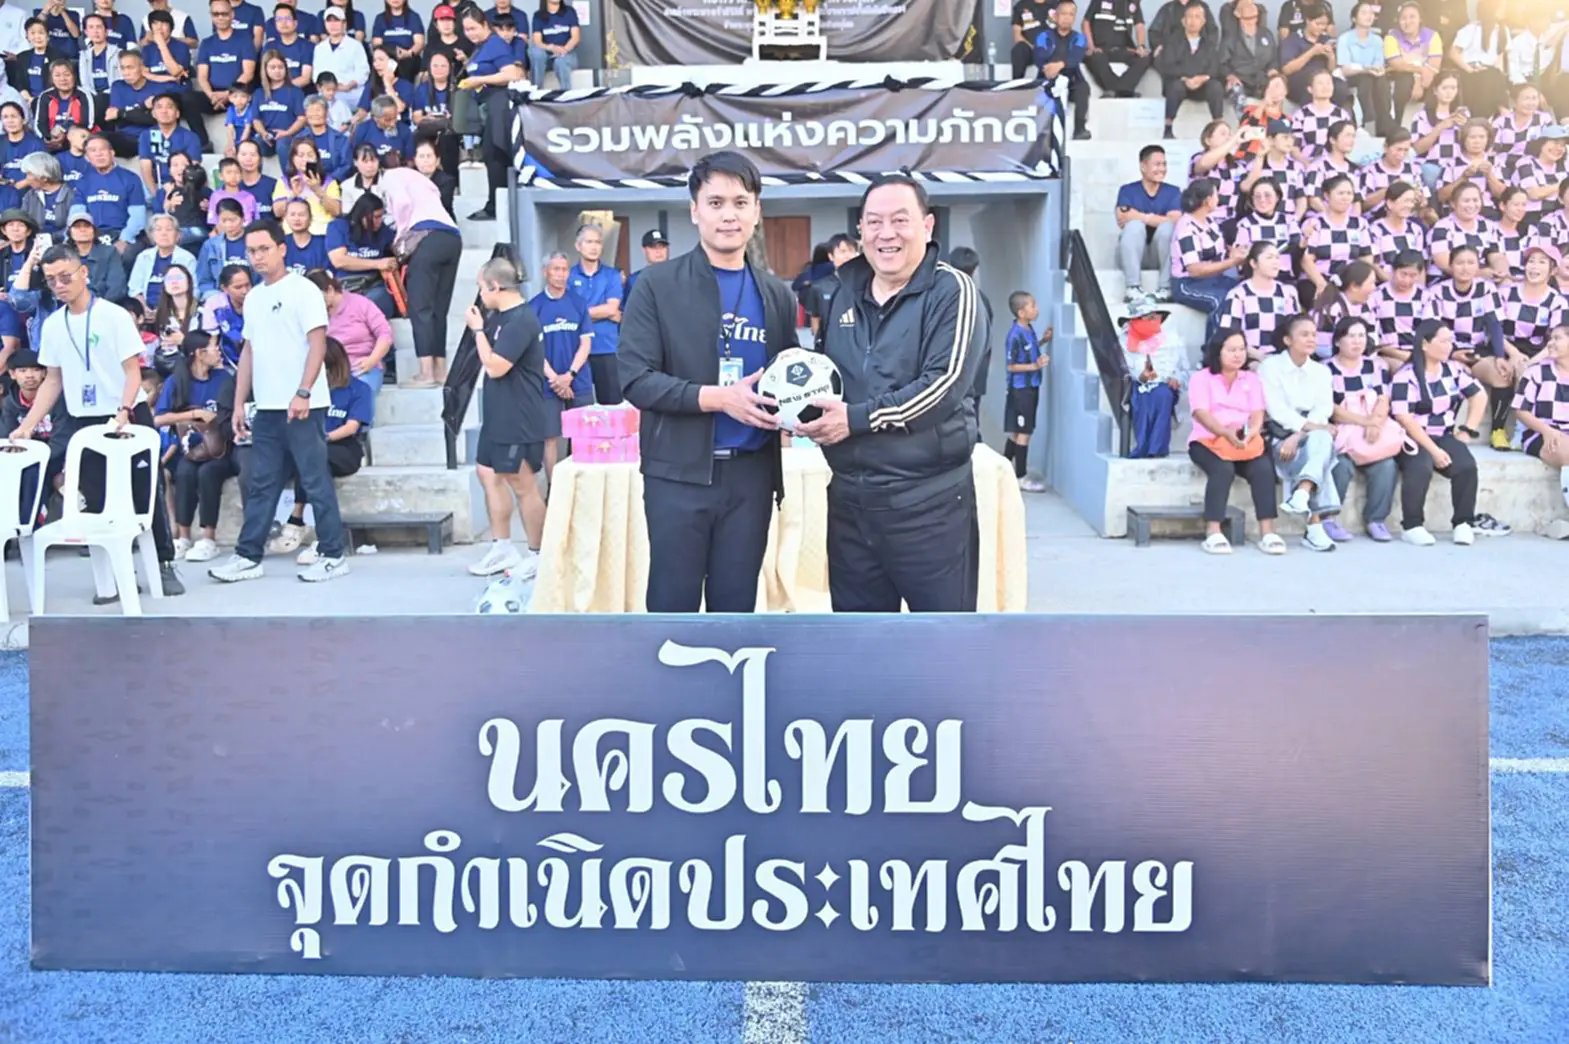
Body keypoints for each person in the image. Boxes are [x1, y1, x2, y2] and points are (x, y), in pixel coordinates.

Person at [618, 150, 798, 614]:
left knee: (736, 610)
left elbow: (786, 377)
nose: (728, 215)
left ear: (756, 211)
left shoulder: (776, 294)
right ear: (695, 211)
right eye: (715, 203)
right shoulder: (656, 285)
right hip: (678, 476)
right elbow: (635, 379)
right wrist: (717, 399)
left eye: (740, 203)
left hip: (751, 476)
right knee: (672, 606)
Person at [797, 173, 983, 613]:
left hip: (928, 506)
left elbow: (943, 386)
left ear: (927, 226)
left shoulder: (952, 291)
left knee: (941, 642)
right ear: (860, 229)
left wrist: (856, 419)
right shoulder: (843, 293)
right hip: (850, 504)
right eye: (874, 222)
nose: (887, 233)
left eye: (900, 220)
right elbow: (828, 378)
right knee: (859, 642)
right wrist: (798, 411)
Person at [12, 244, 185, 595]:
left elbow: (133, 371)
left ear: (83, 273)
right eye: (51, 280)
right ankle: (115, 574)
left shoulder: (113, 316)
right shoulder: (54, 325)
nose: (59, 285)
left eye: (65, 277)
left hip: (126, 414)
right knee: (97, 497)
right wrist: (27, 425)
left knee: (145, 490)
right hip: (83, 418)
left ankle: (163, 562)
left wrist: (123, 409)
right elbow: (53, 380)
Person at [209, 219, 348, 583]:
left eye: (264, 249)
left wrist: (303, 391)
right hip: (268, 407)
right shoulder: (254, 297)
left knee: (315, 480)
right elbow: (249, 352)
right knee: (262, 482)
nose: (258, 257)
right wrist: (240, 402)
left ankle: (333, 554)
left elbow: (318, 343)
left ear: (281, 249)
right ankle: (248, 556)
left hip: (304, 404)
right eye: (252, 251)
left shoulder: (303, 290)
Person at [458, 256, 547, 578]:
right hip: (498, 413)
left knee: (523, 485)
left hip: (519, 416)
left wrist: (477, 331)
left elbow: (496, 367)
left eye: (482, 287)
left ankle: (539, 554)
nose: (480, 295)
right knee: (487, 473)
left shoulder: (521, 320)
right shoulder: (498, 316)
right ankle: (503, 547)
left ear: (495, 286)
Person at [267, 334, 370, 563]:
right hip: (311, 444)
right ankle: (305, 527)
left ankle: (299, 520)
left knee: (313, 457)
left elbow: (352, 427)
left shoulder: (359, 389)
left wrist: (322, 438)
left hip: (343, 448)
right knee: (306, 457)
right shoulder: (309, 390)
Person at [1389, 318, 1486, 545]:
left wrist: (1467, 430)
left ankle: (1463, 523)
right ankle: (1412, 525)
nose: (1448, 346)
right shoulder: (1405, 376)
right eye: (1443, 341)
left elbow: (1479, 395)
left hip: (1443, 433)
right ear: (1425, 344)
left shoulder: (1452, 370)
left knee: (1466, 466)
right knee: (1420, 466)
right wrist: (1433, 450)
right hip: (1411, 438)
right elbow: (1404, 418)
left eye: (1450, 341)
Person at [1186, 329, 1284, 553]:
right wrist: (1224, 432)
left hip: (1243, 440)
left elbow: (1257, 413)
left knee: (1263, 468)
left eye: (1241, 349)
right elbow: (1201, 413)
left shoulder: (1251, 379)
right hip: (1207, 439)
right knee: (1223, 469)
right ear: (1217, 351)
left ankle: (1268, 532)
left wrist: (1253, 433)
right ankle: (1213, 531)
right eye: (1231, 350)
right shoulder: (1201, 378)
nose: (1238, 355)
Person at [1260, 313, 1341, 551]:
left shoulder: (1321, 371)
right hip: (1279, 437)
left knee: (1321, 440)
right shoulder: (1270, 367)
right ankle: (1314, 527)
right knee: (1322, 447)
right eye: (1304, 334)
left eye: (1314, 334)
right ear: (1288, 340)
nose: (1311, 339)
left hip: (1306, 437)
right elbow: (1277, 410)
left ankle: (1303, 494)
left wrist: (1300, 435)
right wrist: (1299, 432)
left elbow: (1324, 409)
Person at [155, 329, 236, 562]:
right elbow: (158, 418)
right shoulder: (177, 381)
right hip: (189, 450)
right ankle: (183, 537)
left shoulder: (223, 378)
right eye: (214, 348)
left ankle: (208, 538)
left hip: (220, 449)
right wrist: (194, 414)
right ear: (199, 353)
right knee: (184, 472)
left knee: (208, 473)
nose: (218, 352)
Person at [378, 166, 460, 387]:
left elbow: (403, 203)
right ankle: (441, 371)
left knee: (421, 308)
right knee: (439, 309)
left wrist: (402, 232)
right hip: (452, 237)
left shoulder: (390, 176)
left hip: (427, 238)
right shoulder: (421, 180)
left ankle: (426, 373)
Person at [1325, 314, 1398, 541]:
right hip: (1343, 433)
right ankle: (1328, 518)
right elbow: (1330, 408)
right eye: (1351, 336)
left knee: (1386, 465)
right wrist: (1364, 422)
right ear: (1338, 341)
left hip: (1371, 429)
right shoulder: (1326, 369)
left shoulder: (1376, 366)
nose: (1357, 341)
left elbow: (1384, 398)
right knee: (1340, 466)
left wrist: (1376, 421)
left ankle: (1376, 520)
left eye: (1361, 336)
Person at [529, 250, 592, 481]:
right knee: (550, 438)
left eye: (564, 269)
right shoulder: (534, 307)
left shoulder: (578, 303)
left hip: (579, 380)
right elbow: (534, 350)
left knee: (584, 436)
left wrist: (569, 375)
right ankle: (554, 490)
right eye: (555, 269)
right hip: (548, 383)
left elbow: (585, 344)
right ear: (545, 272)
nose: (560, 274)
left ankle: (582, 487)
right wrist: (555, 379)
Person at [457, 6, 522, 221]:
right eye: (466, 29)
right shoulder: (480, 48)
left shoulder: (495, 44)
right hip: (486, 104)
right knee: (490, 154)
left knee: (498, 154)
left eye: (473, 28)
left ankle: (501, 205)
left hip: (500, 103)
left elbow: (511, 73)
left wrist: (479, 80)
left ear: (485, 24)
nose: (470, 33)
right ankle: (495, 203)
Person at [1170, 177, 1243, 344]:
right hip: (1188, 284)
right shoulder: (1187, 227)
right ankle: (1214, 351)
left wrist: (1234, 254)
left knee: (1243, 291)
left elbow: (1219, 253)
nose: (1218, 199)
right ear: (1208, 201)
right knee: (1221, 301)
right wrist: (1232, 262)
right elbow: (1194, 269)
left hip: (1213, 279)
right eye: (1216, 195)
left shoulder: (1210, 221)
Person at [306, 268, 390, 399]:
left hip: (362, 367)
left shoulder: (360, 303)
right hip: (329, 371)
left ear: (330, 290)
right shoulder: (311, 312)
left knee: (360, 395)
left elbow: (385, 333)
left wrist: (372, 360)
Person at [1116, 144, 1182, 306]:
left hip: (1161, 255)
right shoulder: (1128, 190)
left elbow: (1175, 220)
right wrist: (1157, 219)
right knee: (1134, 227)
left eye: (1164, 164)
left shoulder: (1173, 192)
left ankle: (1165, 288)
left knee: (1168, 228)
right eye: (1157, 164)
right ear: (1143, 167)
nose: (1162, 169)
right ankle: (1132, 288)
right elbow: (1122, 218)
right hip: (1133, 254)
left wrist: (1141, 216)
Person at [568, 222, 624, 406]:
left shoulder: (612, 275)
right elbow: (568, 312)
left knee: (611, 406)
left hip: (606, 347)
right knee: (578, 407)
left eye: (598, 242)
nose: (594, 247)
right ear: (578, 246)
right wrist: (602, 312)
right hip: (576, 348)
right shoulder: (569, 276)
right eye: (589, 242)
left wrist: (582, 313)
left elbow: (611, 309)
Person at [1155, 1, 1223, 140]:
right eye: (1190, 16)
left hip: (1201, 85)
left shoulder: (1208, 43)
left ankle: (1218, 126)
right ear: (1183, 21)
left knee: (1216, 87)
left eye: (1197, 17)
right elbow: (1168, 66)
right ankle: (1168, 127)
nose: (1193, 21)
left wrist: (1202, 78)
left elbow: (1215, 68)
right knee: (1175, 87)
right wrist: (1186, 78)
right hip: (1181, 84)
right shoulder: (1172, 41)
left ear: (1203, 22)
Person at [1223, 242, 1301, 361]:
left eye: (1277, 258)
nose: (1275, 262)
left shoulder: (1288, 292)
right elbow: (1229, 333)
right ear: (1254, 263)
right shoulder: (1238, 294)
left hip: (1283, 358)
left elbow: (1297, 329)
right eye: (1269, 258)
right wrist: (1261, 357)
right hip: (1249, 358)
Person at [1002, 290, 1048, 487]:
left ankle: (1001, 471)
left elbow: (1029, 350)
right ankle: (1021, 477)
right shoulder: (1014, 336)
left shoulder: (1029, 329)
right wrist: (1035, 366)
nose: (1037, 309)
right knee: (1024, 432)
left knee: (1017, 431)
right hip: (1021, 390)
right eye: (1033, 306)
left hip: (1032, 386)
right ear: (1021, 312)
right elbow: (1011, 366)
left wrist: (1044, 340)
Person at [1514, 324, 1569, 472]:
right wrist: (1547, 431)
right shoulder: (1535, 372)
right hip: (1540, 434)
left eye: (1557, 338)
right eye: (1550, 338)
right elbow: (1520, 411)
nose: (1550, 343)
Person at [1033, 0, 1090, 141]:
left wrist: (1059, 65)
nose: (1067, 17)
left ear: (1074, 18)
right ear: (1055, 16)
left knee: (1083, 88)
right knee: (1040, 91)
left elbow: (1075, 58)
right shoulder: (1043, 36)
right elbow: (1039, 57)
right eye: (1063, 13)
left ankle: (1080, 129)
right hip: (1048, 77)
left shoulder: (1080, 38)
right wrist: (1048, 68)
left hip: (1072, 80)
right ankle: (1042, 132)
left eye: (1071, 14)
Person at [196, 0, 257, 132]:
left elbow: (248, 73)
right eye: (216, 14)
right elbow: (202, 76)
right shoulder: (207, 43)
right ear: (211, 16)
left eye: (224, 13)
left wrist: (228, 94)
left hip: (238, 94)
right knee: (187, 99)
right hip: (213, 95)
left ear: (232, 14)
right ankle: (202, 141)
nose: (220, 17)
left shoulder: (245, 40)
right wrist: (211, 95)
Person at [75, 132, 143, 249]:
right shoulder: (83, 181)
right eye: (93, 150)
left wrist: (124, 239)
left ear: (112, 153)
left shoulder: (130, 178)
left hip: (122, 234)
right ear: (87, 157)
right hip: (93, 236)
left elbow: (138, 217)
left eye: (102, 149)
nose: (98, 154)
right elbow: (77, 214)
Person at [1384, 2, 1442, 131]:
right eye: (1403, 18)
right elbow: (1398, 64)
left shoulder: (1432, 36)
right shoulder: (1391, 37)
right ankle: (1398, 126)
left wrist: (1420, 83)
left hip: (1426, 78)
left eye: (1412, 17)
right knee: (1404, 79)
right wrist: (1419, 73)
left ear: (1420, 19)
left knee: (1439, 83)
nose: (1407, 21)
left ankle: (1431, 126)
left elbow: (1434, 66)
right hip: (1401, 77)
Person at [128, 213, 195, 315]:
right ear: (152, 235)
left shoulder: (187, 259)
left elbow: (194, 291)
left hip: (175, 312)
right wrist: (143, 308)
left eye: (169, 229)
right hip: (146, 312)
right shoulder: (143, 257)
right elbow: (134, 289)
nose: (164, 233)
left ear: (178, 235)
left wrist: (165, 312)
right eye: (158, 229)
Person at [1082, 0, 1151, 98]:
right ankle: (1122, 91)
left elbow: (1139, 26)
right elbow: (1085, 22)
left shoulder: (1133, 2)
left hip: (1124, 49)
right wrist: (1091, 47)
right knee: (1095, 58)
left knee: (1145, 58)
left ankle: (1118, 90)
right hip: (1101, 49)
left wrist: (1141, 46)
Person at [62, 204, 126, 301]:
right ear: (70, 232)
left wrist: (98, 307)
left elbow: (117, 287)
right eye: (77, 226)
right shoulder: (64, 255)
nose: (82, 230)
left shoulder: (109, 252)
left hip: (103, 305)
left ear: (94, 231)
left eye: (87, 226)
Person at [1220, 0, 1276, 110]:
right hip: (1240, 79)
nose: (1250, 22)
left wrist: (1273, 71)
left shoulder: (1266, 34)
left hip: (1261, 79)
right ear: (1240, 19)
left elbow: (1274, 59)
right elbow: (1222, 63)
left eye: (1253, 18)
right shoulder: (1230, 38)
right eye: (1246, 19)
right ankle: (1244, 118)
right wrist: (1230, 76)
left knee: (1277, 87)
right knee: (1236, 92)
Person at [311, 8, 366, 96]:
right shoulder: (319, 48)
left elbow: (363, 72)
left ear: (344, 24)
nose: (333, 25)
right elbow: (316, 74)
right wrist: (330, 87)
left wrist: (349, 86)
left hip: (351, 94)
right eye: (329, 21)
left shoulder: (355, 46)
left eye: (336, 20)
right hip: (326, 95)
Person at [528, 0, 579, 88]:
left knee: (560, 62)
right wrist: (552, 48)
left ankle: (566, 93)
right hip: (547, 55)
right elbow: (537, 41)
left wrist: (564, 50)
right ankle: (536, 90)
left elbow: (576, 38)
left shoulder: (569, 12)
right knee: (536, 52)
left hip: (566, 54)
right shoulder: (538, 15)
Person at [1009, 0, 1053, 79]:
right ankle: (1017, 83)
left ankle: (1043, 82)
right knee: (1018, 49)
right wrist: (1035, 48)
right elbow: (1017, 36)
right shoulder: (1021, 5)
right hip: (1030, 48)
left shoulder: (1057, 5)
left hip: (1051, 48)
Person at [622, 226, 668, 301]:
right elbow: (627, 306)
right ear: (644, 250)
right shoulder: (635, 279)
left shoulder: (678, 276)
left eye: (662, 246)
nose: (658, 251)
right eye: (653, 247)